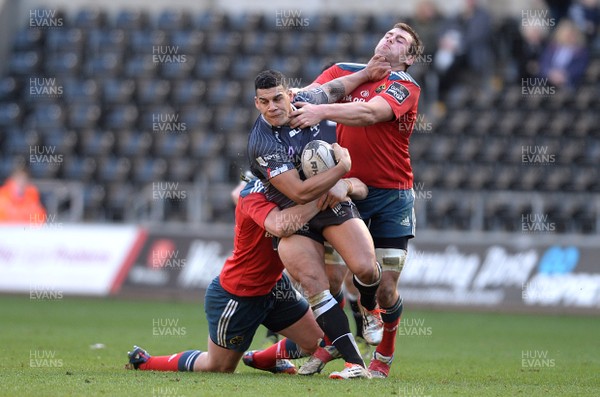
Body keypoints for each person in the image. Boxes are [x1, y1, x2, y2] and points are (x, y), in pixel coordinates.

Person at [289, 22, 423, 378]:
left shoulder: (405, 86)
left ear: (408, 58)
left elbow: (369, 114)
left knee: (386, 288)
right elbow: (309, 95)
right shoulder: (346, 72)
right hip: (346, 188)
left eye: (400, 41)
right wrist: (287, 98)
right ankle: (335, 344)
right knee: (332, 281)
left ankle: (383, 357)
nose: (390, 40)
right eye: (388, 35)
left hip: (392, 194)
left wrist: (321, 112)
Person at [248, 62, 390, 379]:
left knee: (366, 268)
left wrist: (368, 73)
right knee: (316, 287)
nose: (272, 107)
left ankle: (369, 307)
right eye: (264, 101)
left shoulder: (310, 100)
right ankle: (356, 365)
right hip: (298, 214)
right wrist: (342, 170)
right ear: (257, 103)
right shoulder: (262, 142)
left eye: (277, 99)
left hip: (332, 204)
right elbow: (298, 193)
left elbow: (338, 87)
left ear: (290, 94)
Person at [127, 176, 342, 374]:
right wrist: (320, 200)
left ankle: (261, 359)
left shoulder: (291, 186)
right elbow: (281, 225)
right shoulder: (256, 192)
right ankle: (145, 361)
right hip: (239, 294)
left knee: (320, 342)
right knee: (218, 367)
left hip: (275, 287)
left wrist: (345, 184)